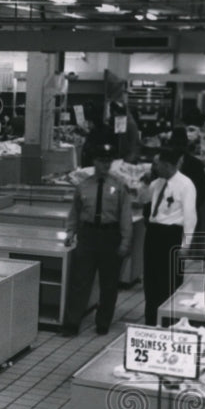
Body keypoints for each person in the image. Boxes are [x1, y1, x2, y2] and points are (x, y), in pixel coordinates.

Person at [60, 142, 134, 336]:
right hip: (87, 236)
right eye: (102, 161)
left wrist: (125, 242)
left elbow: (126, 216)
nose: (106, 165)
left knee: (109, 284)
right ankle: (72, 322)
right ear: (94, 162)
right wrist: (70, 232)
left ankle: (103, 322)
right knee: (80, 281)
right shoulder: (84, 186)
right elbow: (75, 212)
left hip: (110, 236)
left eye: (109, 161)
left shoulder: (119, 187)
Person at [142, 147, 197, 326]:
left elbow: (190, 216)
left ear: (167, 165)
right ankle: (151, 320)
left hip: (171, 235)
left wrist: (186, 245)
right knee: (150, 280)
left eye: (158, 165)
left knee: (169, 282)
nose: (155, 168)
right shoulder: (156, 183)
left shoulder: (186, 185)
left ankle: (168, 322)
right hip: (153, 233)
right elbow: (144, 201)